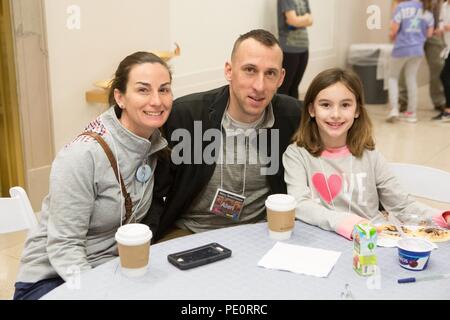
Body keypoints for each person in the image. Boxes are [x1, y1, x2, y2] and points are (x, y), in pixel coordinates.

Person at [13, 52, 173, 300]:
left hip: (109, 270)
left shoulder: (152, 145)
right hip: (53, 279)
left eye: (164, 90)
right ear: (120, 97)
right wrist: (98, 293)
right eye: (143, 90)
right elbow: (64, 247)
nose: (157, 101)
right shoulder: (83, 155)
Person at [146, 29, 302, 241]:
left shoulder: (293, 117)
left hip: (261, 233)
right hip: (192, 232)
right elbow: (154, 191)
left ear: (281, 78)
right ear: (229, 71)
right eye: (249, 70)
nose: (259, 86)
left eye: (270, 73)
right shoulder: (185, 116)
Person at [283, 68, 450, 240]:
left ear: (357, 111)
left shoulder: (370, 155)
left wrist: (442, 217)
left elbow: (401, 205)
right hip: (323, 242)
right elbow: (299, 204)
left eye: (345, 105)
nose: (335, 114)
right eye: (325, 105)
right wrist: (346, 223)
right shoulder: (297, 155)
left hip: (373, 243)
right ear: (311, 109)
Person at [392, 0, 447, 119]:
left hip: (434, 31)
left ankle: (439, 101)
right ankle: (403, 100)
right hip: (410, 33)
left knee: (438, 65)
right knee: (405, 67)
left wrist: (441, 26)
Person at [387, 0, 435, 123]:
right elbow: (429, 34)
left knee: (393, 77)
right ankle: (411, 113)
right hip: (417, 50)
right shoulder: (427, 11)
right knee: (411, 78)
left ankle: (394, 110)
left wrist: (392, 35)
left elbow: (393, 31)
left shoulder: (401, 8)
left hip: (401, 49)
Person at [277, 0, 313, 99]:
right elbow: (292, 20)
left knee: (295, 86)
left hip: (304, 47)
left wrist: (299, 20)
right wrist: (305, 19)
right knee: (284, 87)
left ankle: (294, 113)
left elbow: (311, 20)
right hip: (289, 49)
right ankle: (280, 113)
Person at [439, 0, 450, 121]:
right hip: (448, 46)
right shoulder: (445, 6)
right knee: (444, 76)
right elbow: (442, 21)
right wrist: (441, 28)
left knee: (445, 76)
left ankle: (448, 109)